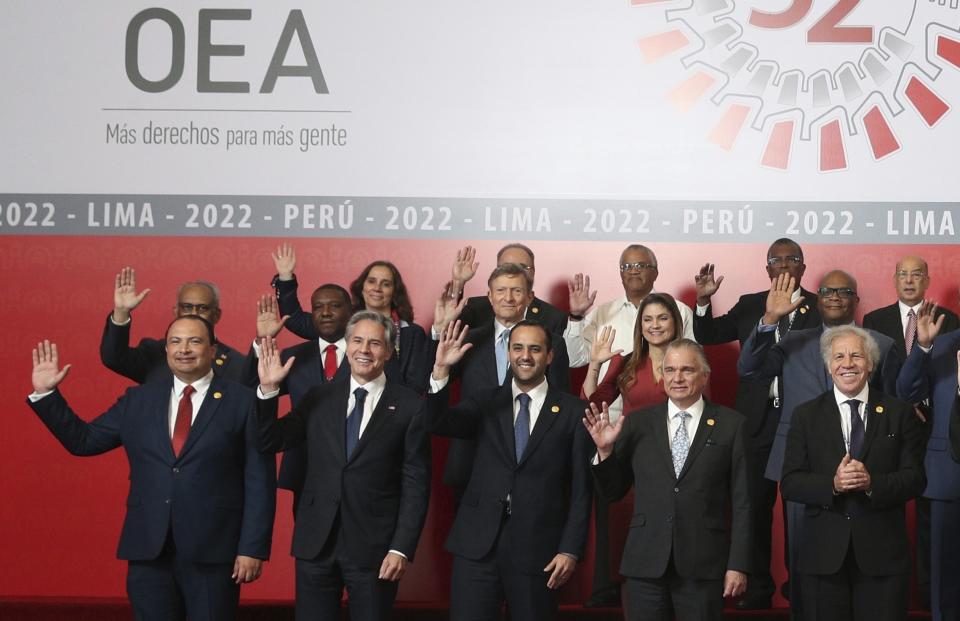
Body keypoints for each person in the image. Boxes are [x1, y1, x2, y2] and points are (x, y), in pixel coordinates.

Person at [28, 316, 276, 621]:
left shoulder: (243, 401)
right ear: (166, 350)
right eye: (175, 342)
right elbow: (83, 441)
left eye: (194, 341)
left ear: (213, 351)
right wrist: (47, 395)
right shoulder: (139, 400)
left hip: (214, 551)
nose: (184, 349)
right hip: (148, 550)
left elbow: (259, 480)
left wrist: (252, 548)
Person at [738, 270, 902, 617]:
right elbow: (750, 368)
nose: (834, 296)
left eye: (844, 291)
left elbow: (892, 403)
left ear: (855, 300)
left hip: (865, 462)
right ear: (817, 297)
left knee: (865, 553)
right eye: (827, 290)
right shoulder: (793, 340)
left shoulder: (881, 345)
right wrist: (770, 319)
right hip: (803, 463)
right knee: (803, 554)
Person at [256, 311, 431, 621]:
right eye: (358, 340)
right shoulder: (318, 396)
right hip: (315, 542)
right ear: (347, 345)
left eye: (375, 343)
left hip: (375, 547)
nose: (364, 350)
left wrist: (401, 548)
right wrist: (269, 391)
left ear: (389, 352)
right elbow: (270, 441)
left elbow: (416, 482)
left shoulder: (410, 406)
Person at [425, 319, 592, 620]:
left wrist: (570, 550)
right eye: (517, 348)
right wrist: (440, 373)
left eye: (534, 349)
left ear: (550, 356)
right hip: (477, 546)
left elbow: (581, 490)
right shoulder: (486, 400)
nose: (525, 356)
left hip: (538, 550)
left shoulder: (573, 412)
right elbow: (438, 423)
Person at [693, 239, 821, 609]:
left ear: (803, 266)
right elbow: (708, 335)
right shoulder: (751, 304)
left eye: (791, 259)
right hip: (755, 421)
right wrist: (703, 302)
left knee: (803, 506)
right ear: (766, 269)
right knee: (755, 503)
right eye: (775, 261)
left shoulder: (819, 307)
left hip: (803, 421)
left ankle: (801, 586)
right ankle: (759, 587)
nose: (783, 265)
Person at [584, 339, 750, 621]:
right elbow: (613, 491)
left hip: (703, 564)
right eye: (670, 370)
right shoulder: (637, 423)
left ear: (704, 375)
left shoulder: (731, 425)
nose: (678, 378)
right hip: (644, 563)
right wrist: (605, 451)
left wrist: (738, 565)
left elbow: (743, 501)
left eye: (687, 370)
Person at [781, 326, 925, 621]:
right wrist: (832, 484)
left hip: (882, 559)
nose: (848, 363)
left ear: (870, 363)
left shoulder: (899, 413)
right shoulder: (805, 415)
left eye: (856, 356)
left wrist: (872, 483)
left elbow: (915, 479)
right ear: (829, 366)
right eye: (839, 357)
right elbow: (791, 483)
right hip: (823, 559)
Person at [862, 255, 958, 608]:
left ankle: (928, 594)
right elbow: (871, 373)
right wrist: (901, 404)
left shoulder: (950, 322)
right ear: (894, 278)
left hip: (934, 429)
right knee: (885, 511)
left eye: (916, 274)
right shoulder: (875, 320)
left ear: (927, 280)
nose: (909, 280)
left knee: (932, 521)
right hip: (887, 426)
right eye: (903, 273)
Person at [581, 292, 683, 607]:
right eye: (648, 319)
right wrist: (595, 364)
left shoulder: (687, 360)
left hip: (677, 463)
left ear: (675, 323)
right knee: (631, 545)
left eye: (662, 318)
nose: (655, 325)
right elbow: (590, 403)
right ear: (640, 326)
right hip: (630, 464)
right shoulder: (628, 363)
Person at [432, 263, 571, 494]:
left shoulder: (551, 343)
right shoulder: (466, 340)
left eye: (516, 291)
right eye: (501, 290)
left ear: (530, 297)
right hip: (471, 464)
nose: (508, 298)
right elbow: (432, 382)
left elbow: (559, 404)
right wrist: (439, 332)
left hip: (529, 465)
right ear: (489, 296)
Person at [244, 287, 353, 513]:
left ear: (350, 311)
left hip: (355, 471)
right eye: (317, 307)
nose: (325, 312)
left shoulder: (365, 354)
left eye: (334, 305)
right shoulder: (293, 356)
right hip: (306, 473)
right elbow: (247, 391)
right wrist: (262, 341)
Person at [269, 243, 430, 393]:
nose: (377, 288)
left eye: (385, 284)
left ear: (395, 291)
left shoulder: (411, 333)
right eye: (371, 281)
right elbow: (295, 319)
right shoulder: (341, 325)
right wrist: (286, 278)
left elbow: (416, 383)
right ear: (362, 287)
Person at [565, 244, 696, 422]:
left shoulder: (680, 310)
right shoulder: (603, 315)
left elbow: (695, 368)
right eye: (627, 266)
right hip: (611, 420)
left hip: (675, 424)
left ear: (655, 272)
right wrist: (576, 317)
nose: (633, 271)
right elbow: (574, 360)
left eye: (640, 265)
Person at [897, 301, 960, 621]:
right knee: (946, 574)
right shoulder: (943, 343)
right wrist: (921, 347)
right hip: (948, 473)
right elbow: (906, 391)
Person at [100, 267, 246, 383]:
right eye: (187, 307)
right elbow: (114, 358)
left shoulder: (238, 365)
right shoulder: (154, 354)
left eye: (202, 308)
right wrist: (121, 311)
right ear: (176, 312)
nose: (193, 313)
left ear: (216, 315)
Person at [447, 244, 568, 334]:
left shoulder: (554, 318)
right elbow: (449, 332)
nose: (515, 273)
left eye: (522, 267)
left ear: (533, 271)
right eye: (506, 267)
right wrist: (458, 283)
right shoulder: (475, 308)